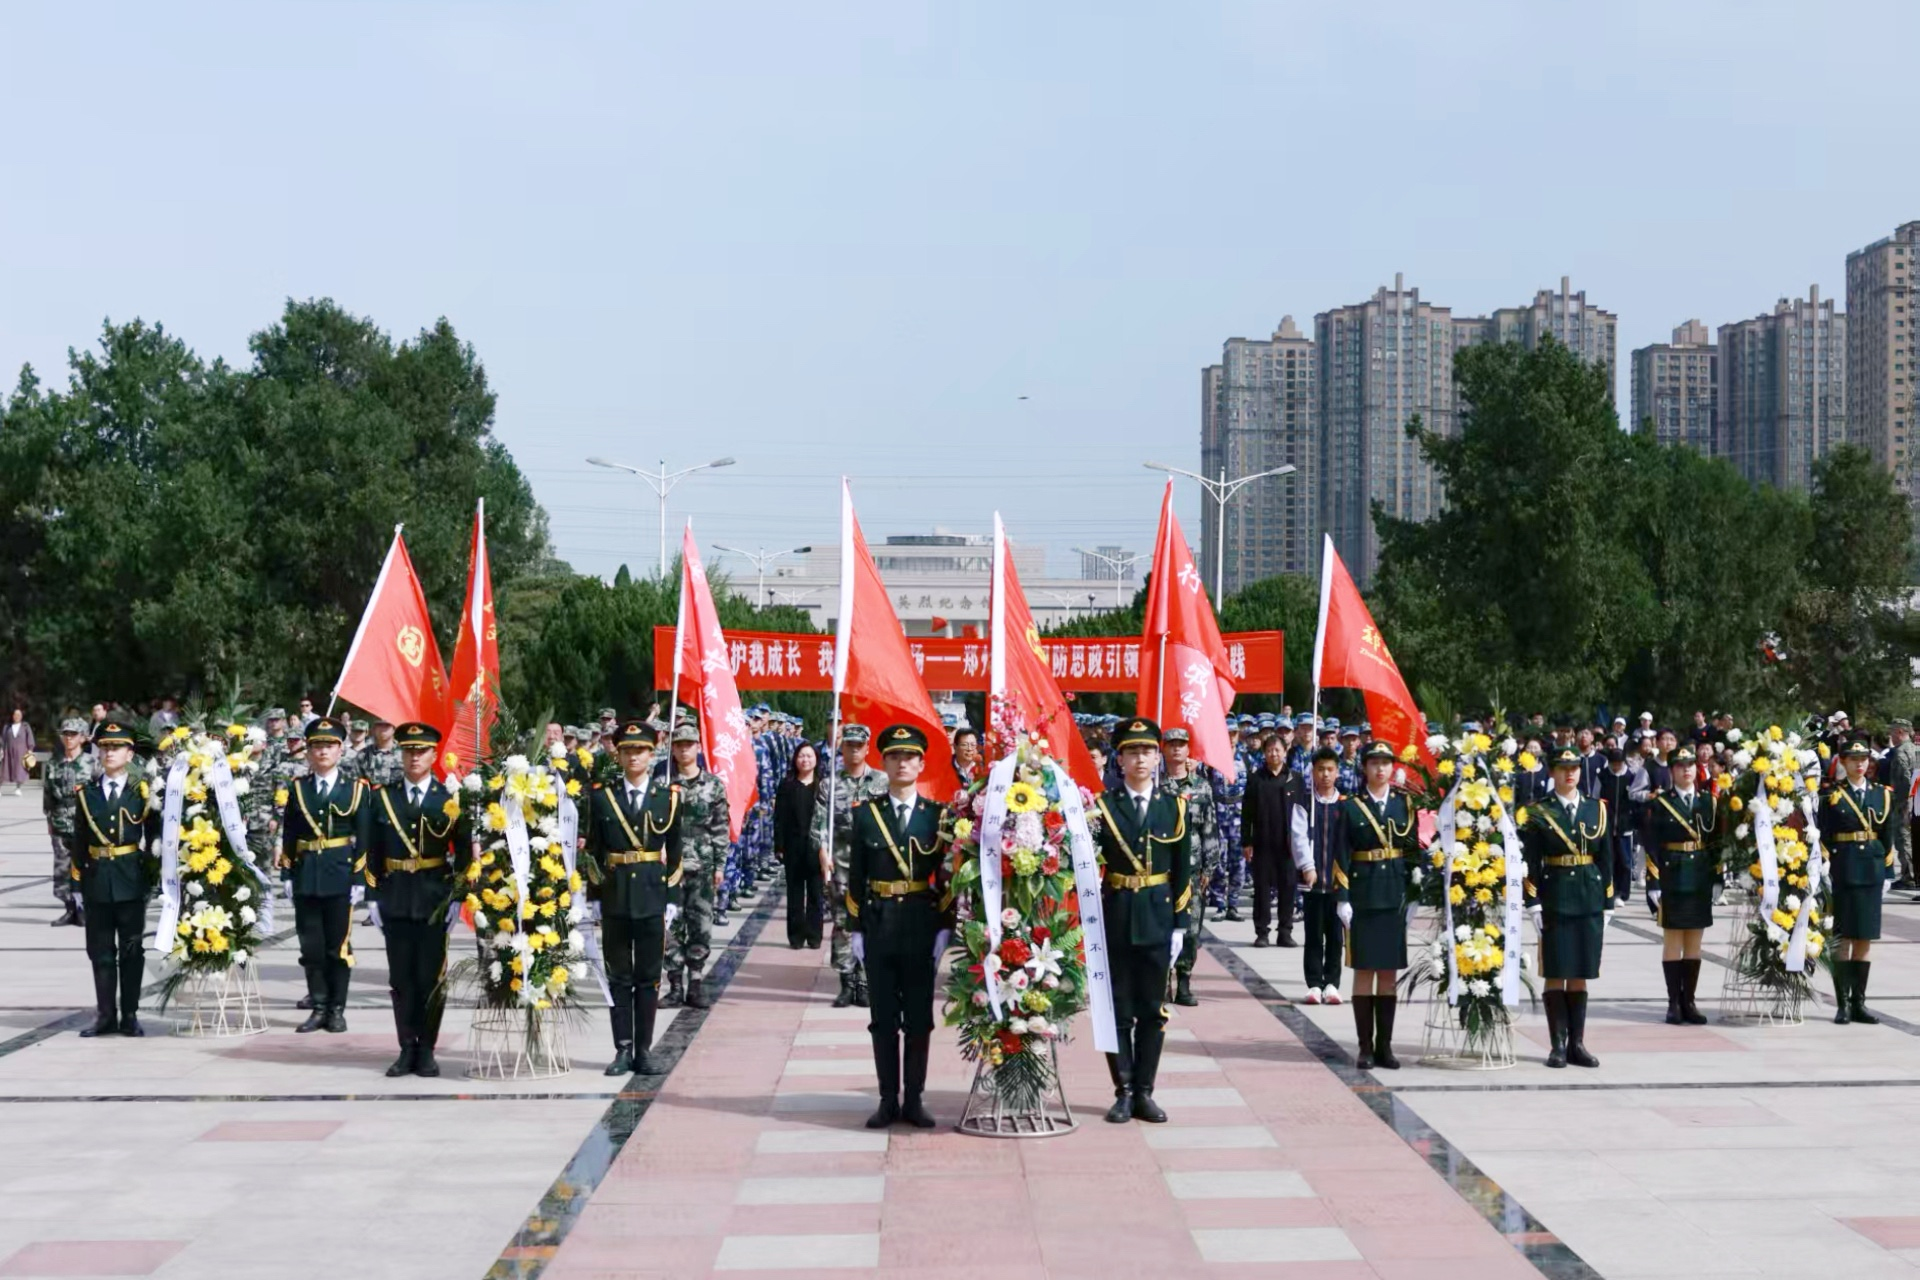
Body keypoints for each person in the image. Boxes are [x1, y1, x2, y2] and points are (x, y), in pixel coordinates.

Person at [845, 724, 952, 1129]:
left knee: (920, 1019)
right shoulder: (865, 814)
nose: (902, 763)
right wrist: (855, 927)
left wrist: (945, 926)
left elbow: (947, 877)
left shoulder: (938, 816)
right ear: (884, 763)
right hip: (879, 923)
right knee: (884, 1019)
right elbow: (856, 875)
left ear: (921, 764)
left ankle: (915, 1100)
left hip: (921, 925)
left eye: (909, 757)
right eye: (894, 756)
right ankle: (888, 1099)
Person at [1092, 718, 1192, 1124]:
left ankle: (1146, 1092)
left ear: (1158, 757)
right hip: (1116, 915)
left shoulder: (1174, 806)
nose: (1140, 758)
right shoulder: (1102, 806)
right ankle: (1123, 1091)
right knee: (1117, 1009)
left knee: (1153, 1009)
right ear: (1119, 759)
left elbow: (1183, 870)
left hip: (1157, 916)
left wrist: (1181, 924)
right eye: (1132, 751)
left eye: (1147, 750)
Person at [366, 722, 469, 1077]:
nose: (414, 757)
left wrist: (458, 897)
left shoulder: (449, 798)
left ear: (433, 755)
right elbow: (371, 849)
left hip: (434, 897)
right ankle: (406, 1046)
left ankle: (426, 1048)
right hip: (395, 895)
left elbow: (465, 852)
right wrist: (371, 895)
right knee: (401, 977)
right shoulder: (382, 797)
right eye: (408, 750)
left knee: (430, 977)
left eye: (421, 751)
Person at [583, 721, 683, 1075]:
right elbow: (594, 851)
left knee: (649, 978)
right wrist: (594, 895)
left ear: (652, 754)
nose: (633, 757)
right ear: (619, 755)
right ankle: (623, 1049)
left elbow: (676, 850)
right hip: (615, 897)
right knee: (619, 977)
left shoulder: (668, 797)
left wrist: (672, 897)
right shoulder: (601, 797)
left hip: (652, 896)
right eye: (627, 751)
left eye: (640, 750)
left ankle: (644, 1050)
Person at [277, 716, 372, 1033]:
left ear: (340, 750)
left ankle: (336, 1009)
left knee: (338, 948)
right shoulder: (298, 788)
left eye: (329, 745)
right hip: (306, 875)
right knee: (311, 948)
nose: (323, 751)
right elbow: (290, 832)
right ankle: (318, 1007)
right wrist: (287, 872)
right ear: (308, 751)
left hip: (340, 874)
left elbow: (364, 837)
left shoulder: (355, 789)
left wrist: (360, 879)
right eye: (317, 745)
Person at [1522, 746, 1611, 1068]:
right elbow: (1530, 861)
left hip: (1588, 895)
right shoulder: (1538, 812)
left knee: (1580, 973)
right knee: (1556, 971)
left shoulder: (1596, 809)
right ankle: (1557, 1045)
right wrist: (1532, 902)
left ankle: (1577, 1044)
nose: (1569, 773)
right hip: (1555, 896)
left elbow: (1606, 857)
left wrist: (1608, 900)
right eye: (1563, 768)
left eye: (1574, 768)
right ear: (1552, 772)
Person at [69, 720, 157, 1037]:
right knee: (100, 952)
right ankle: (106, 1015)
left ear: (130, 754)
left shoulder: (142, 792)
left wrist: (153, 877)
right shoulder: (86, 793)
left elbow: (155, 838)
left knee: (132, 952)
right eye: (104, 747)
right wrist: (76, 884)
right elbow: (79, 840)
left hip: (131, 880)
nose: (109, 753)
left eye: (116, 747)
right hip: (96, 881)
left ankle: (130, 1015)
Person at [1334, 741, 1417, 1069]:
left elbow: (1412, 851)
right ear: (1364, 767)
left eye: (1385, 763)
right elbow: (1340, 854)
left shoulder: (1404, 803)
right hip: (1364, 895)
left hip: (1394, 893)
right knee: (1364, 970)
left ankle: (1385, 1046)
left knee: (1388, 972)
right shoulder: (1351, 807)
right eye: (1374, 763)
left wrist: (1414, 895)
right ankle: (1365, 1047)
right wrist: (1343, 897)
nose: (1380, 769)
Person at [1822, 738, 1896, 1025]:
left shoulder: (1882, 794)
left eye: (1864, 759)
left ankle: (1858, 1004)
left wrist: (1887, 873)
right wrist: (1825, 868)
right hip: (1843, 869)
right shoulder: (1832, 795)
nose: (1860, 764)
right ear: (1843, 762)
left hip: (1871, 870)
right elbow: (1824, 835)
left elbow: (1887, 836)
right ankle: (1842, 1004)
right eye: (1853, 759)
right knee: (1842, 938)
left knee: (1864, 938)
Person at [813, 724, 887, 1008]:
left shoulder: (882, 782)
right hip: (841, 860)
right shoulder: (829, 784)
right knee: (843, 921)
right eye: (849, 745)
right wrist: (823, 851)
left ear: (867, 749)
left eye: (859, 745)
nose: (854, 750)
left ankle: (865, 982)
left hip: (874, 860)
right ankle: (846, 983)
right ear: (841, 748)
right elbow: (820, 822)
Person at [1644, 746, 1716, 1026]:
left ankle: (1690, 1001)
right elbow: (1651, 844)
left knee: (1695, 941)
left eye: (1690, 765)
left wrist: (1718, 878)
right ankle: (1673, 1002)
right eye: (1680, 766)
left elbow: (1715, 842)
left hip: (1699, 875)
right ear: (1672, 770)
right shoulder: (1661, 803)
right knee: (1673, 939)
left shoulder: (1708, 802)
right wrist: (1653, 880)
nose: (1686, 770)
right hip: (1673, 873)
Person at [661, 722, 729, 1011]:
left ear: (698, 748)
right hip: (671, 867)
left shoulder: (713, 785)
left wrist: (720, 865)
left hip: (702, 865)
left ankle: (696, 983)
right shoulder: (663, 784)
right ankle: (675, 985)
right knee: (671, 926)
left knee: (700, 925)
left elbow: (720, 828)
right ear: (673, 749)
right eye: (679, 745)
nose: (684, 749)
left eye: (689, 744)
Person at [1161, 728, 1218, 1006]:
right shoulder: (1156, 786)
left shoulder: (1201, 787)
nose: (1176, 749)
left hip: (1193, 870)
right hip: (1162, 870)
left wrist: (1210, 867)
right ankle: (1162, 981)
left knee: (1191, 927)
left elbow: (1209, 828)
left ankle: (1184, 981)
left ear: (1188, 750)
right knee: (1162, 925)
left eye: (1181, 744)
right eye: (1171, 744)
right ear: (1163, 749)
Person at [1289, 747, 1347, 1005]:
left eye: (1330, 769)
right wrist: (1307, 865)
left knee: (1335, 935)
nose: (1325, 774)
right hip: (1312, 881)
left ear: (1337, 772)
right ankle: (1314, 983)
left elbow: (1348, 843)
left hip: (1337, 882)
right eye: (1320, 769)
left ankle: (1332, 983)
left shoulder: (1344, 805)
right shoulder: (1305, 802)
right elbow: (1298, 837)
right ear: (1312, 772)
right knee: (1313, 934)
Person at [1240, 735, 1296, 947]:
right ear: (1264, 753)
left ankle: (1285, 931)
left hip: (1287, 844)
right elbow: (1246, 813)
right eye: (1270, 750)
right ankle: (1262, 932)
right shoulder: (1256, 779)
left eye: (1278, 749)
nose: (1274, 753)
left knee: (1288, 889)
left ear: (1285, 752)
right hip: (1262, 842)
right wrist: (1246, 842)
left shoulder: (1294, 779)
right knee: (1262, 890)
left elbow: (1302, 813)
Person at [44, 717, 95, 926]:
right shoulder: (53, 763)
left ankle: (85, 910)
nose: (68, 738)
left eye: (73, 734)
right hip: (60, 822)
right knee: (62, 868)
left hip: (84, 823)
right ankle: (69, 909)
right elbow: (48, 795)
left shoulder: (92, 763)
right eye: (65, 734)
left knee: (86, 867)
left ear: (82, 738)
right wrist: (49, 820)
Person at [775, 742, 823, 949]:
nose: (805, 760)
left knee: (815, 892)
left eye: (809, 756)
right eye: (801, 756)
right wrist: (779, 846)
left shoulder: (822, 786)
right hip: (793, 845)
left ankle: (814, 935)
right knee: (794, 892)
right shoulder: (787, 785)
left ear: (816, 759)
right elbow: (779, 818)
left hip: (816, 846)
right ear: (795, 759)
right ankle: (796, 936)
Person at [1880, 719, 1919, 890]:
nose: (1891, 736)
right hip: (1915, 801)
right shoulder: (1916, 749)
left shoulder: (1901, 752)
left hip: (1905, 802)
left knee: (1903, 839)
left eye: (1892, 732)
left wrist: (1904, 802)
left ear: (1900, 732)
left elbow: (1905, 779)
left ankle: (1908, 876)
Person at [3, 707, 34, 794]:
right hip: (8, 751)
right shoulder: (7, 727)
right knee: (5, 769)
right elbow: (3, 739)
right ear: (13, 716)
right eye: (15, 714)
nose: (17, 716)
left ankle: (18, 788)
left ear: (21, 716)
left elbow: (30, 738)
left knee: (20, 769)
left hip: (21, 751)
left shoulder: (25, 727)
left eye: (18, 715)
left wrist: (30, 749)